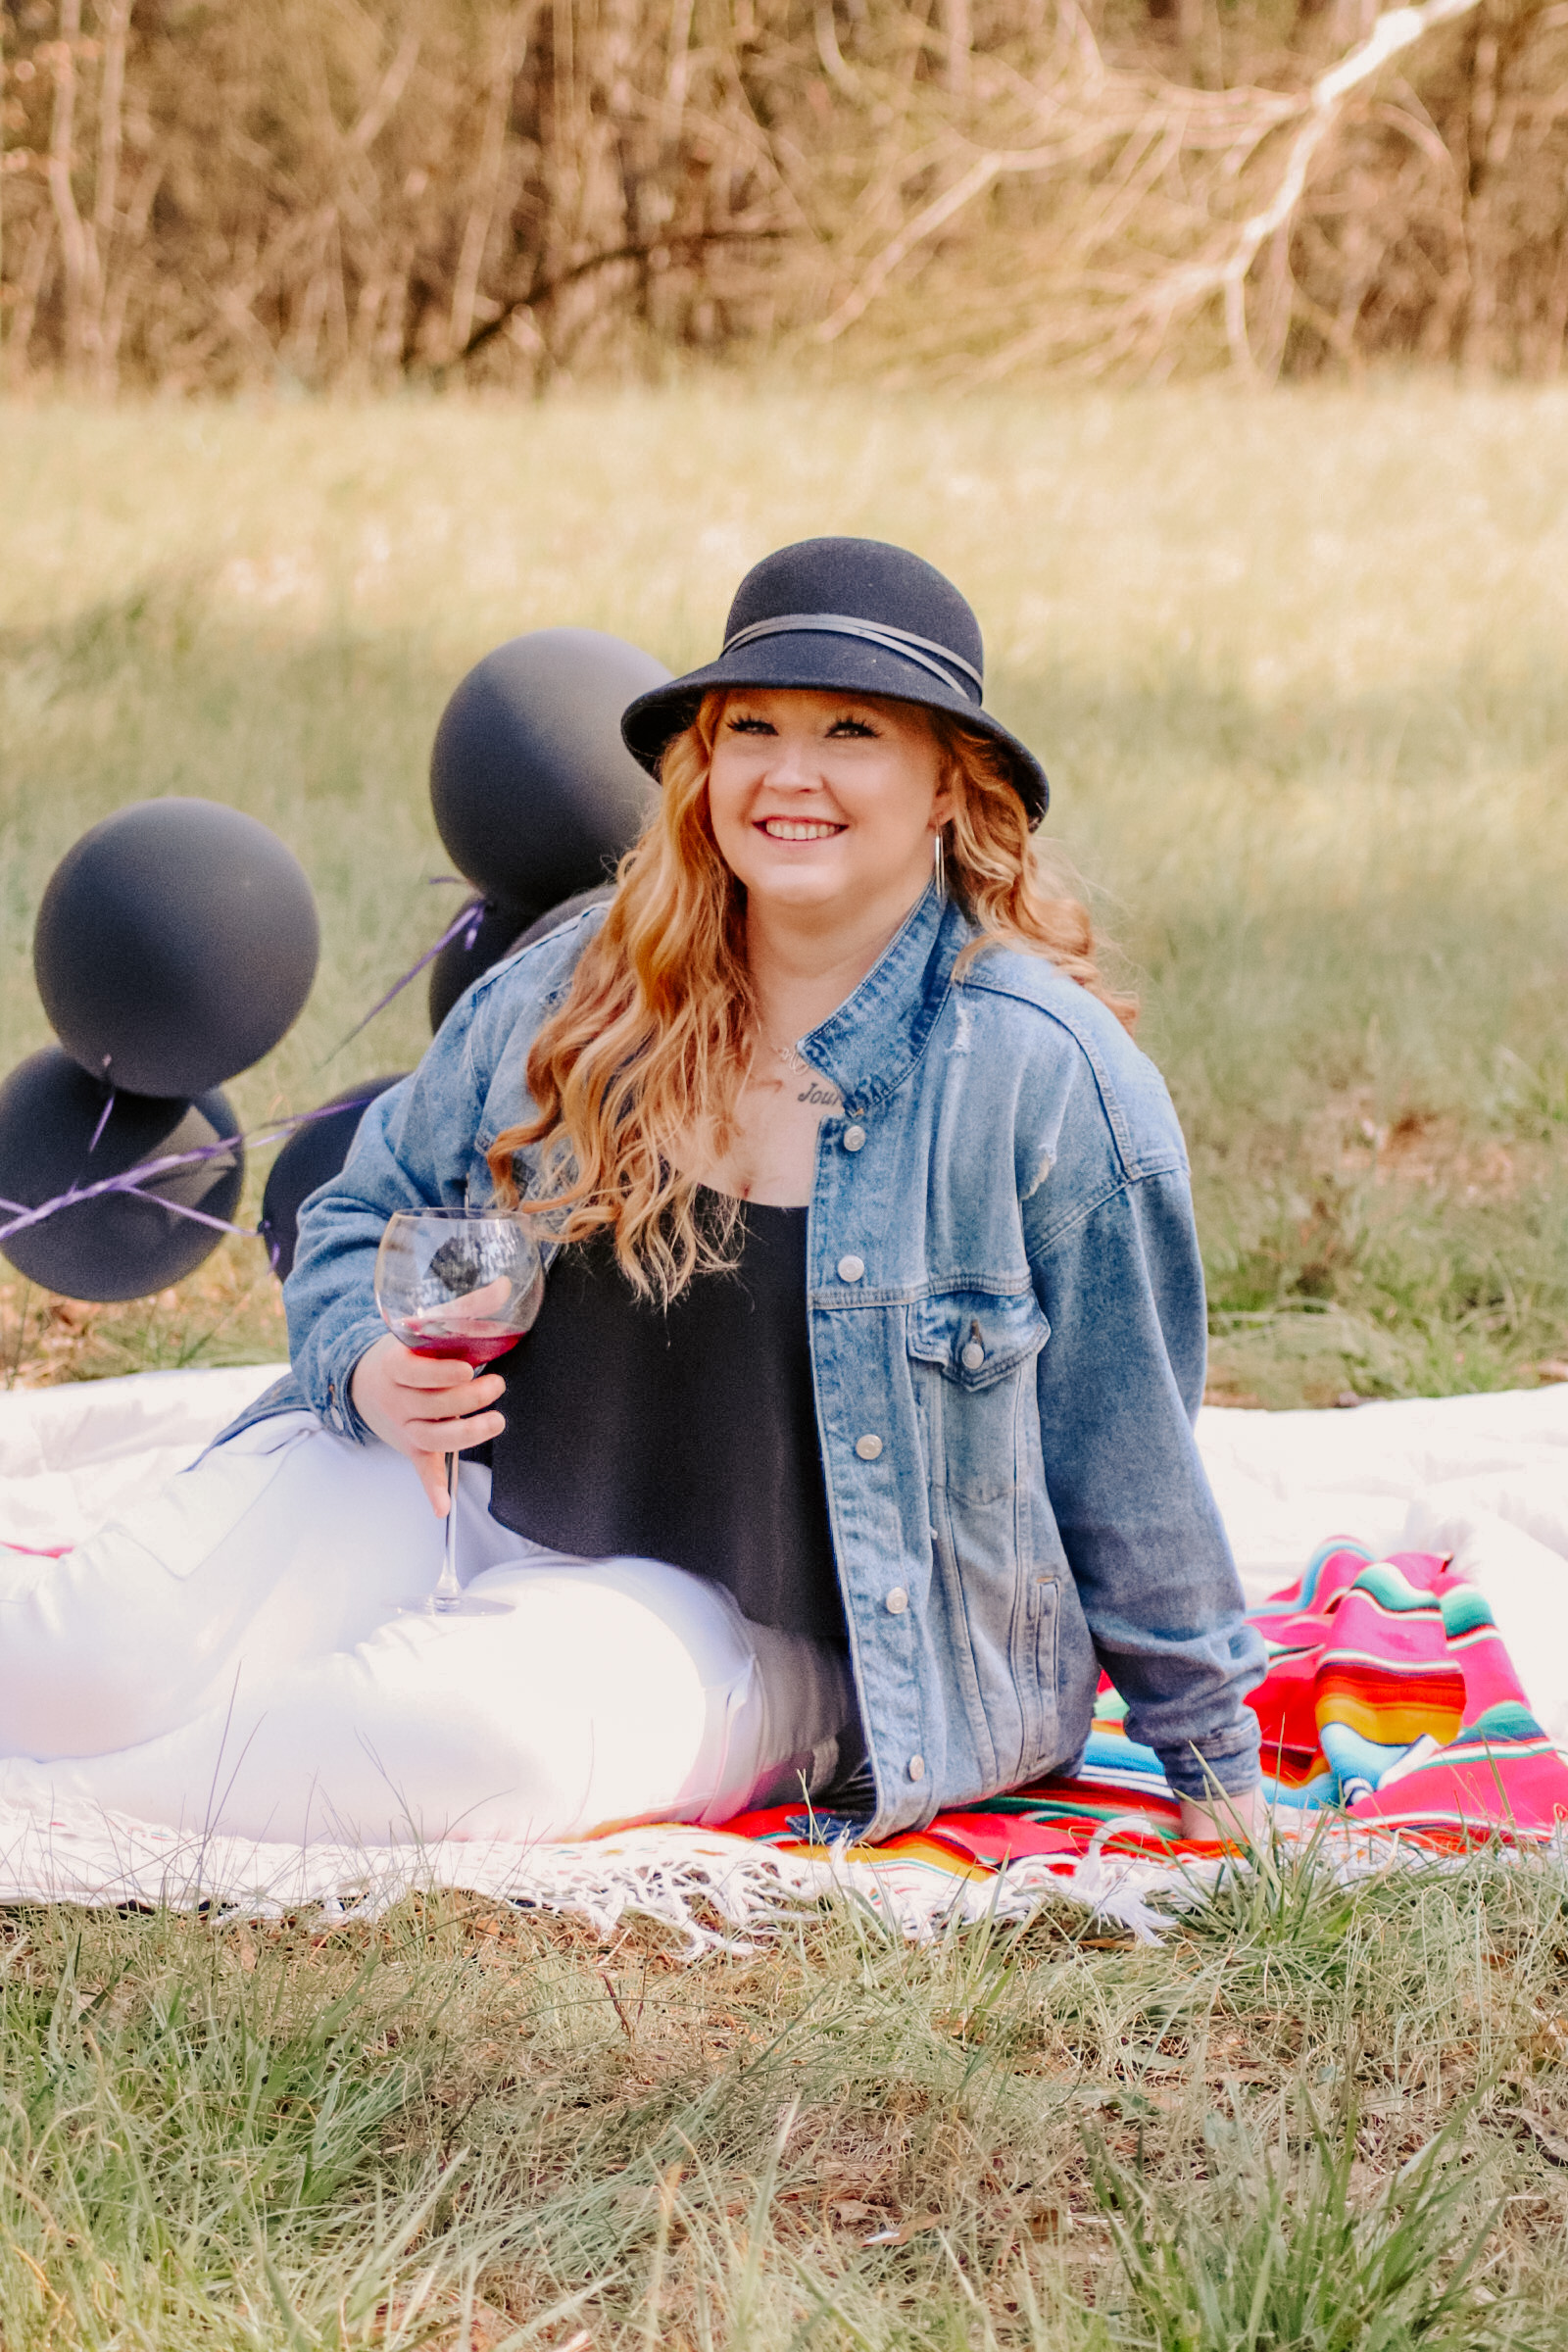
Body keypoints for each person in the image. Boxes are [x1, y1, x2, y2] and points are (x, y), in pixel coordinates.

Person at [0, 538, 1263, 1850]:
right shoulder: (585, 986)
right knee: (76, 1660)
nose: (790, 775)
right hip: (469, 1492)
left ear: (951, 780)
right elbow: (363, 1210)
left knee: (424, 1739)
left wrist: (1216, 1771)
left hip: (787, 1634)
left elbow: (1133, 1458)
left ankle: (54, 1821)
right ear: (702, 763)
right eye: (752, 727)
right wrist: (369, 1362)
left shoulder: (1040, 1075)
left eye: (851, 731)